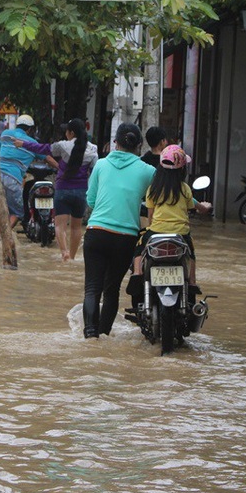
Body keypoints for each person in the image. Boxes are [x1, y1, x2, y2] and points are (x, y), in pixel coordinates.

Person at [81, 123, 156, 339]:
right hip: (126, 239)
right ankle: (104, 334)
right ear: (139, 145)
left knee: (92, 288)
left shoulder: (101, 165)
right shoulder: (148, 171)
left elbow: (91, 200)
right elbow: (166, 193)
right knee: (111, 290)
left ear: (115, 143)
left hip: (96, 232)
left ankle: (90, 336)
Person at [129, 144, 212, 297]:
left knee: (139, 246)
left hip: (156, 231)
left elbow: (151, 216)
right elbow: (189, 208)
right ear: (182, 169)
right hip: (181, 234)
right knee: (191, 253)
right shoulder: (185, 189)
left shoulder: (153, 189)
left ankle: (137, 273)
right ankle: (192, 282)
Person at [13, 118, 99, 261]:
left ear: (71, 132)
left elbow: (43, 148)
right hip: (81, 192)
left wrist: (23, 144)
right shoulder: (93, 150)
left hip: (63, 190)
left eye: (66, 130)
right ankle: (71, 257)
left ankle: (64, 252)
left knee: (60, 226)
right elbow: (95, 173)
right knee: (76, 227)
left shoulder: (63, 146)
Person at [0, 114, 37, 238]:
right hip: (13, 179)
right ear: (29, 129)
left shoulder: (5, 134)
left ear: (17, 125)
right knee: (17, 212)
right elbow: (47, 157)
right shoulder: (32, 143)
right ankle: (5, 234)